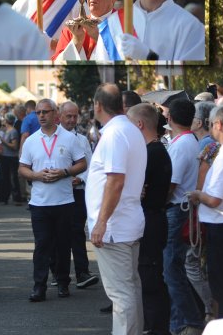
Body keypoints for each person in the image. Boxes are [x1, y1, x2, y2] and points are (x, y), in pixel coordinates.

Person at [86, 83, 147, 334]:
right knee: (130, 287)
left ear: (98, 106)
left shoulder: (114, 134)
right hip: (125, 221)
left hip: (115, 226)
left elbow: (115, 180)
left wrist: (101, 222)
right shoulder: (130, 129)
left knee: (121, 294)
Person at [18, 99, 87, 302]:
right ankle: (39, 286)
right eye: (38, 112)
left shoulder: (69, 138)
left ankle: (63, 282)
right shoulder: (31, 140)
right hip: (39, 203)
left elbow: (82, 163)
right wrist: (37, 176)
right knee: (42, 246)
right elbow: (22, 168)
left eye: (45, 112)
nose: (41, 116)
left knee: (64, 245)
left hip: (64, 201)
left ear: (55, 113)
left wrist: (65, 172)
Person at [187, 105, 223, 318]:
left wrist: (197, 195)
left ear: (219, 125)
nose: (211, 128)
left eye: (211, 124)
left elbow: (213, 199)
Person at [127, 103, 172, 335]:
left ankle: (156, 328)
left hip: (150, 221)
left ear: (140, 124)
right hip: (153, 219)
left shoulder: (150, 153)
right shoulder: (156, 150)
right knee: (149, 276)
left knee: (149, 278)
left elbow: (135, 188)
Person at [161, 99, 205, 335]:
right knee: (175, 269)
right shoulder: (189, 141)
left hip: (176, 209)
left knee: (171, 270)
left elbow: (171, 185)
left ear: (169, 119)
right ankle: (179, 323)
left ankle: (193, 319)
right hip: (181, 209)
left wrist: (159, 202)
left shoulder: (181, 145)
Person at [56, 102, 99, 290]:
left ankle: (82, 272)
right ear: (60, 116)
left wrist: (80, 179)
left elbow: (90, 166)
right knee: (56, 234)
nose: (72, 120)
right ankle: (58, 273)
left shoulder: (81, 140)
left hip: (77, 192)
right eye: (68, 116)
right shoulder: (51, 138)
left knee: (76, 232)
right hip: (56, 192)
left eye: (75, 116)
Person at [53, 0, 121, 61]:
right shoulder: (73, 29)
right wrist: (76, 42)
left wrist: (99, 37)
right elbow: (56, 69)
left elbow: (130, 62)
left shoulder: (125, 25)